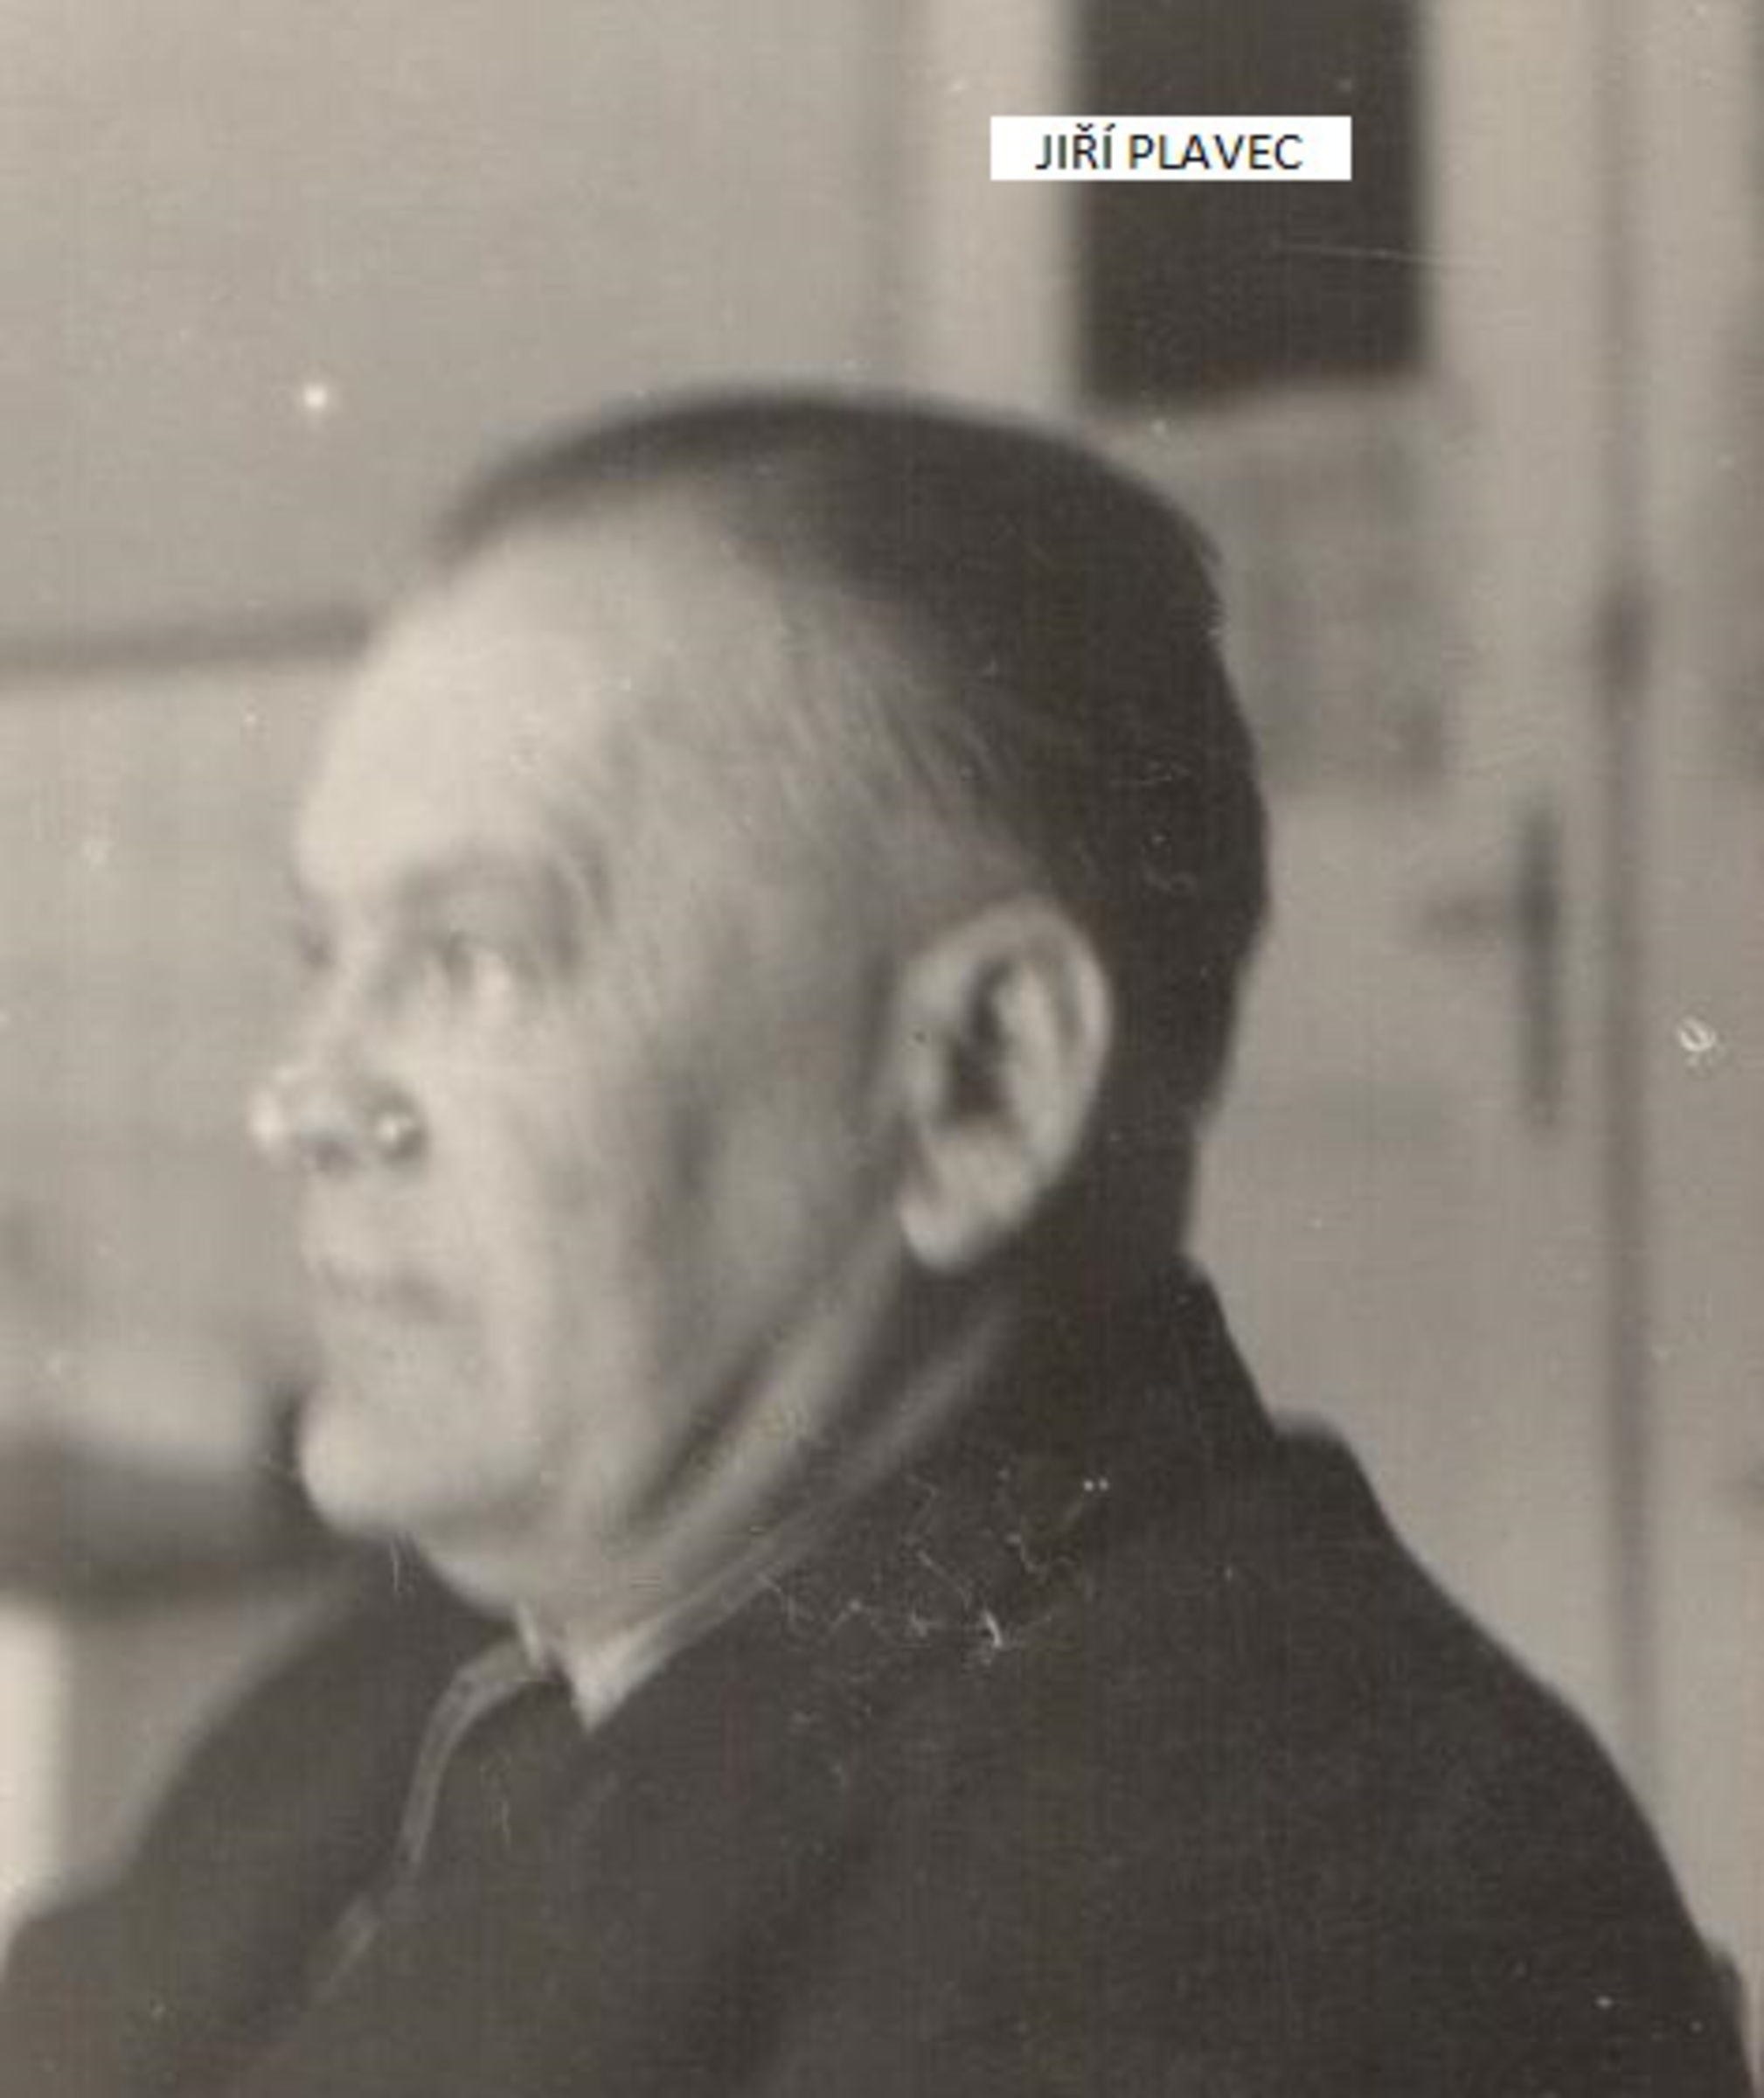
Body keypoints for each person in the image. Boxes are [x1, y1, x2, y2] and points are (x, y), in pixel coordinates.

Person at [0, 394, 1748, 2096]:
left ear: (978, 1085)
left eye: (471, 959)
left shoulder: (1260, 1913)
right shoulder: (457, 1667)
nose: (305, 1099)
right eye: (322, 957)